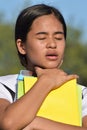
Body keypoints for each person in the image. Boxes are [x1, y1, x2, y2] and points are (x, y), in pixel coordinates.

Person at [0, 4, 87, 130]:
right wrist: (46, 81)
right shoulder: (5, 86)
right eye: (42, 37)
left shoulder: (82, 94)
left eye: (58, 38)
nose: (52, 44)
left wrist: (34, 123)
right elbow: (9, 123)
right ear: (21, 46)